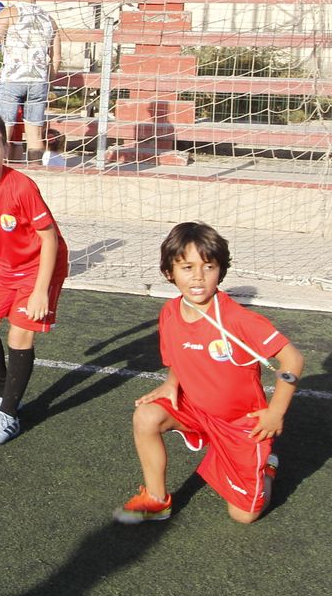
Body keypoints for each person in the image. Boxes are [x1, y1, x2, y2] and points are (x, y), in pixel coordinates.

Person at [115, 221, 304, 525]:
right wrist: (171, 383)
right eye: (187, 267)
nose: (198, 277)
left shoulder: (237, 319)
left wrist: (275, 413)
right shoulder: (170, 312)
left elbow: (292, 359)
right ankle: (156, 499)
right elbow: (178, 355)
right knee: (146, 416)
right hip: (196, 408)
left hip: (240, 423)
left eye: (208, 266)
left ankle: (266, 467)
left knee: (243, 516)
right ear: (169, 272)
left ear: (220, 270)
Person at [0, 108, 69, 446]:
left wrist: (41, 291)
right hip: (5, 267)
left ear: (5, 148)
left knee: (20, 335)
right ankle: (0, 396)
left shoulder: (21, 187)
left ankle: (8, 414)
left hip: (40, 267)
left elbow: (49, 238)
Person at [0, 0, 60, 165]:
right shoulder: (50, 19)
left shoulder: (9, 13)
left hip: (13, 78)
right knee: (35, 135)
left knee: (2, 132)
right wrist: (49, 81)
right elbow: (56, 58)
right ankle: (36, 171)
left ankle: (1, 172)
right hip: (38, 80)